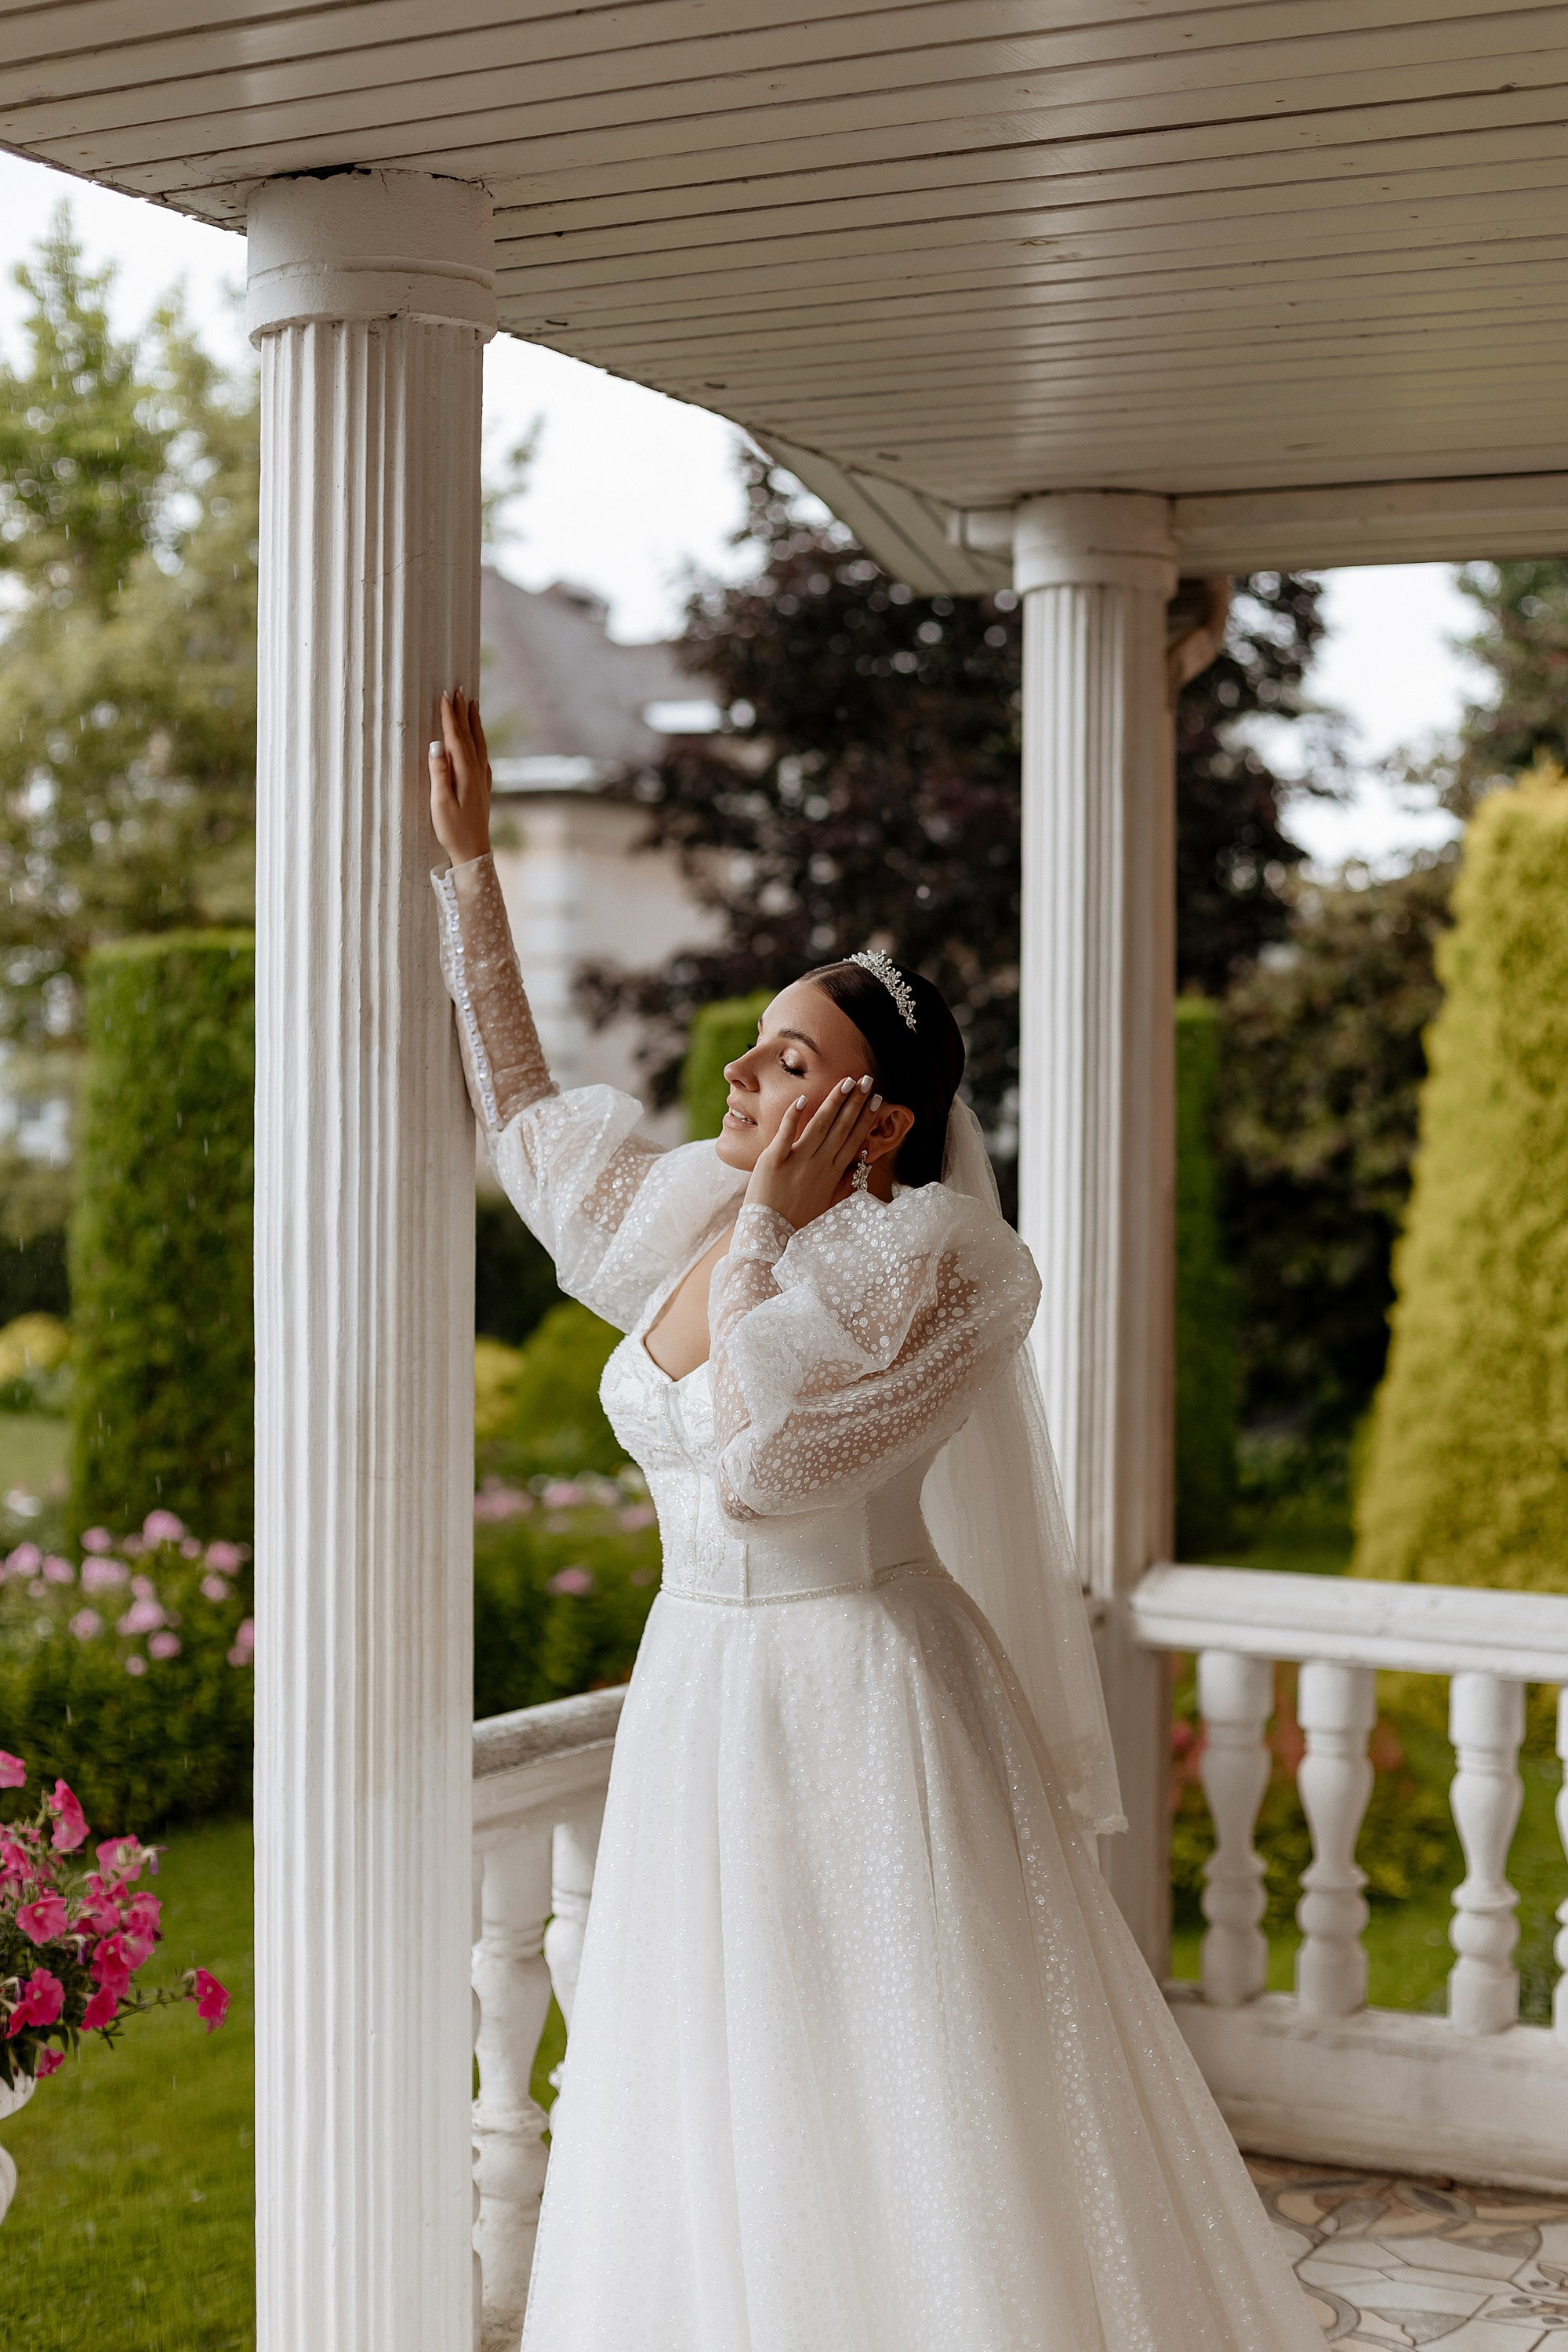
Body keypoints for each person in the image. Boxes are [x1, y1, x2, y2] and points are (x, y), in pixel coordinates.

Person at [430, 688, 1322, 2352]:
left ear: (885, 1121)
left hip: (865, 1693)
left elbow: (768, 1472)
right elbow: (535, 1143)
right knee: (722, 2067)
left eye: (788, 1059)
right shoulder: (698, 1202)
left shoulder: (950, 1269)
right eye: (754, 1046)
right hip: (700, 1693)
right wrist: (469, 872)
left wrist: (766, 1235)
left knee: (910, 2076)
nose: (738, 1073)